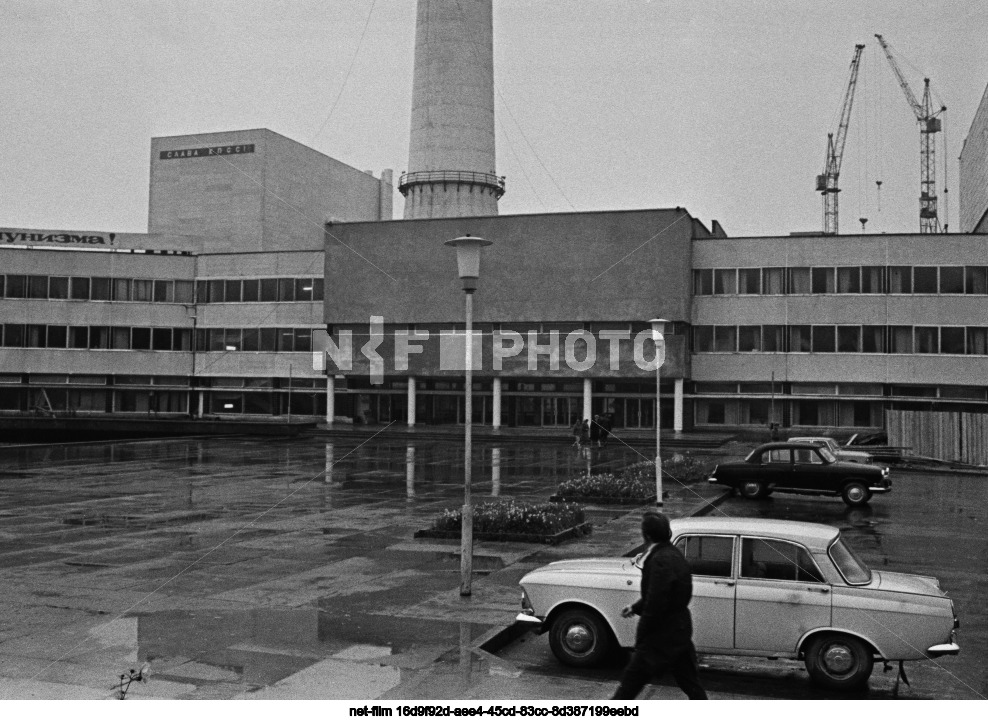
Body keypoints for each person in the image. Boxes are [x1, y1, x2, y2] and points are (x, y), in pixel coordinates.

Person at [612, 511, 708, 700]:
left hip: (659, 636)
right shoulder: (674, 555)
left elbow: (656, 602)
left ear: (646, 535)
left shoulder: (659, 560)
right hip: (679, 631)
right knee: (691, 683)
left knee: (629, 686)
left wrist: (641, 637)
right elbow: (665, 593)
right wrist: (635, 607)